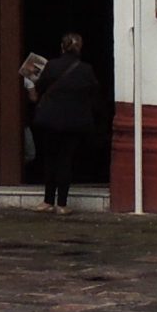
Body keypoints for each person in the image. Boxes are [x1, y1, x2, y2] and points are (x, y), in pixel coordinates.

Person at [31, 32, 100, 215]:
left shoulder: (52, 66)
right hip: (75, 121)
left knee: (50, 158)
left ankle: (47, 201)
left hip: (51, 120)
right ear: (80, 48)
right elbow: (93, 93)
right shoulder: (86, 70)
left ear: (62, 47)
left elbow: (40, 86)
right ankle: (62, 204)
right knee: (66, 160)